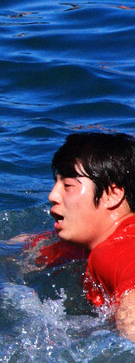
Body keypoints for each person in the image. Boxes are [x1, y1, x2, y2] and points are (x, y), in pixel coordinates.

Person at [43, 132, 135, 339]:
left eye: (68, 186)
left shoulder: (116, 248)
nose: (52, 196)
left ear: (112, 195)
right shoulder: (83, 245)